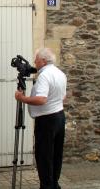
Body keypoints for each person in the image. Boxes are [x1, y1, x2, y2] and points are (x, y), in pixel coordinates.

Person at [14, 48, 67, 189]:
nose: (34, 62)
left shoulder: (44, 76)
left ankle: (46, 185)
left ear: (43, 60)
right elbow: (63, 97)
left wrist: (22, 98)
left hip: (46, 120)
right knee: (56, 154)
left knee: (44, 156)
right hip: (59, 116)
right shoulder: (60, 73)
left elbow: (41, 99)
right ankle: (54, 183)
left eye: (36, 59)